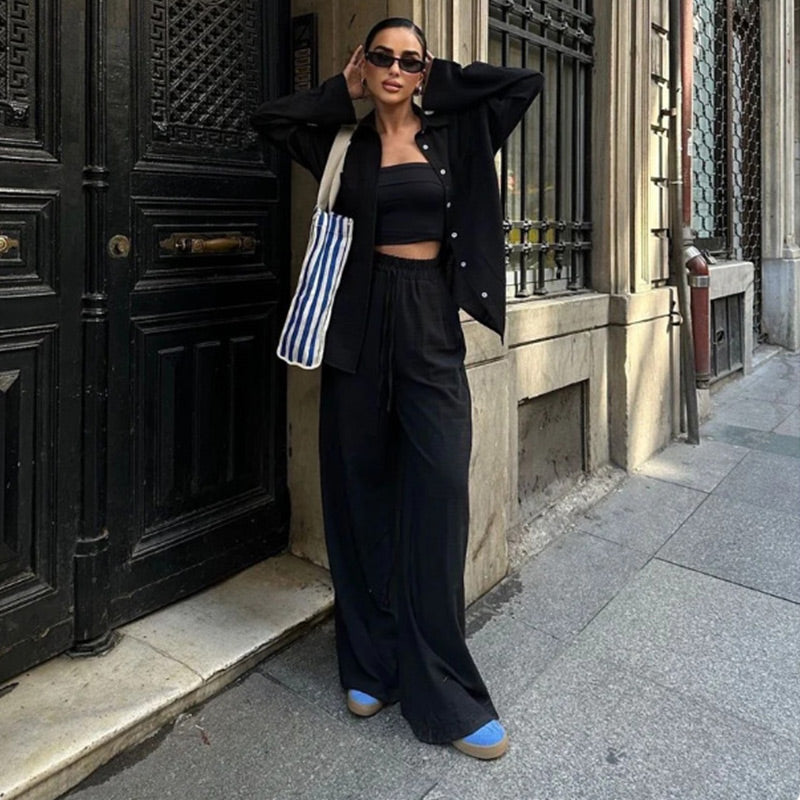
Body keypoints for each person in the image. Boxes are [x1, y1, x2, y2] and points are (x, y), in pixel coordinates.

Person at [251, 17, 542, 760]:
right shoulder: (341, 143)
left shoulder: (454, 134)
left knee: (440, 491)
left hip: (427, 321)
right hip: (355, 321)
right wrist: (341, 90)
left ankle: (443, 687)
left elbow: (522, 83)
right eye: (381, 56)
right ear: (362, 62)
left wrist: (432, 78)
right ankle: (370, 665)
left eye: (408, 60)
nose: (394, 68)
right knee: (358, 491)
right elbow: (270, 120)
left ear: (425, 70)